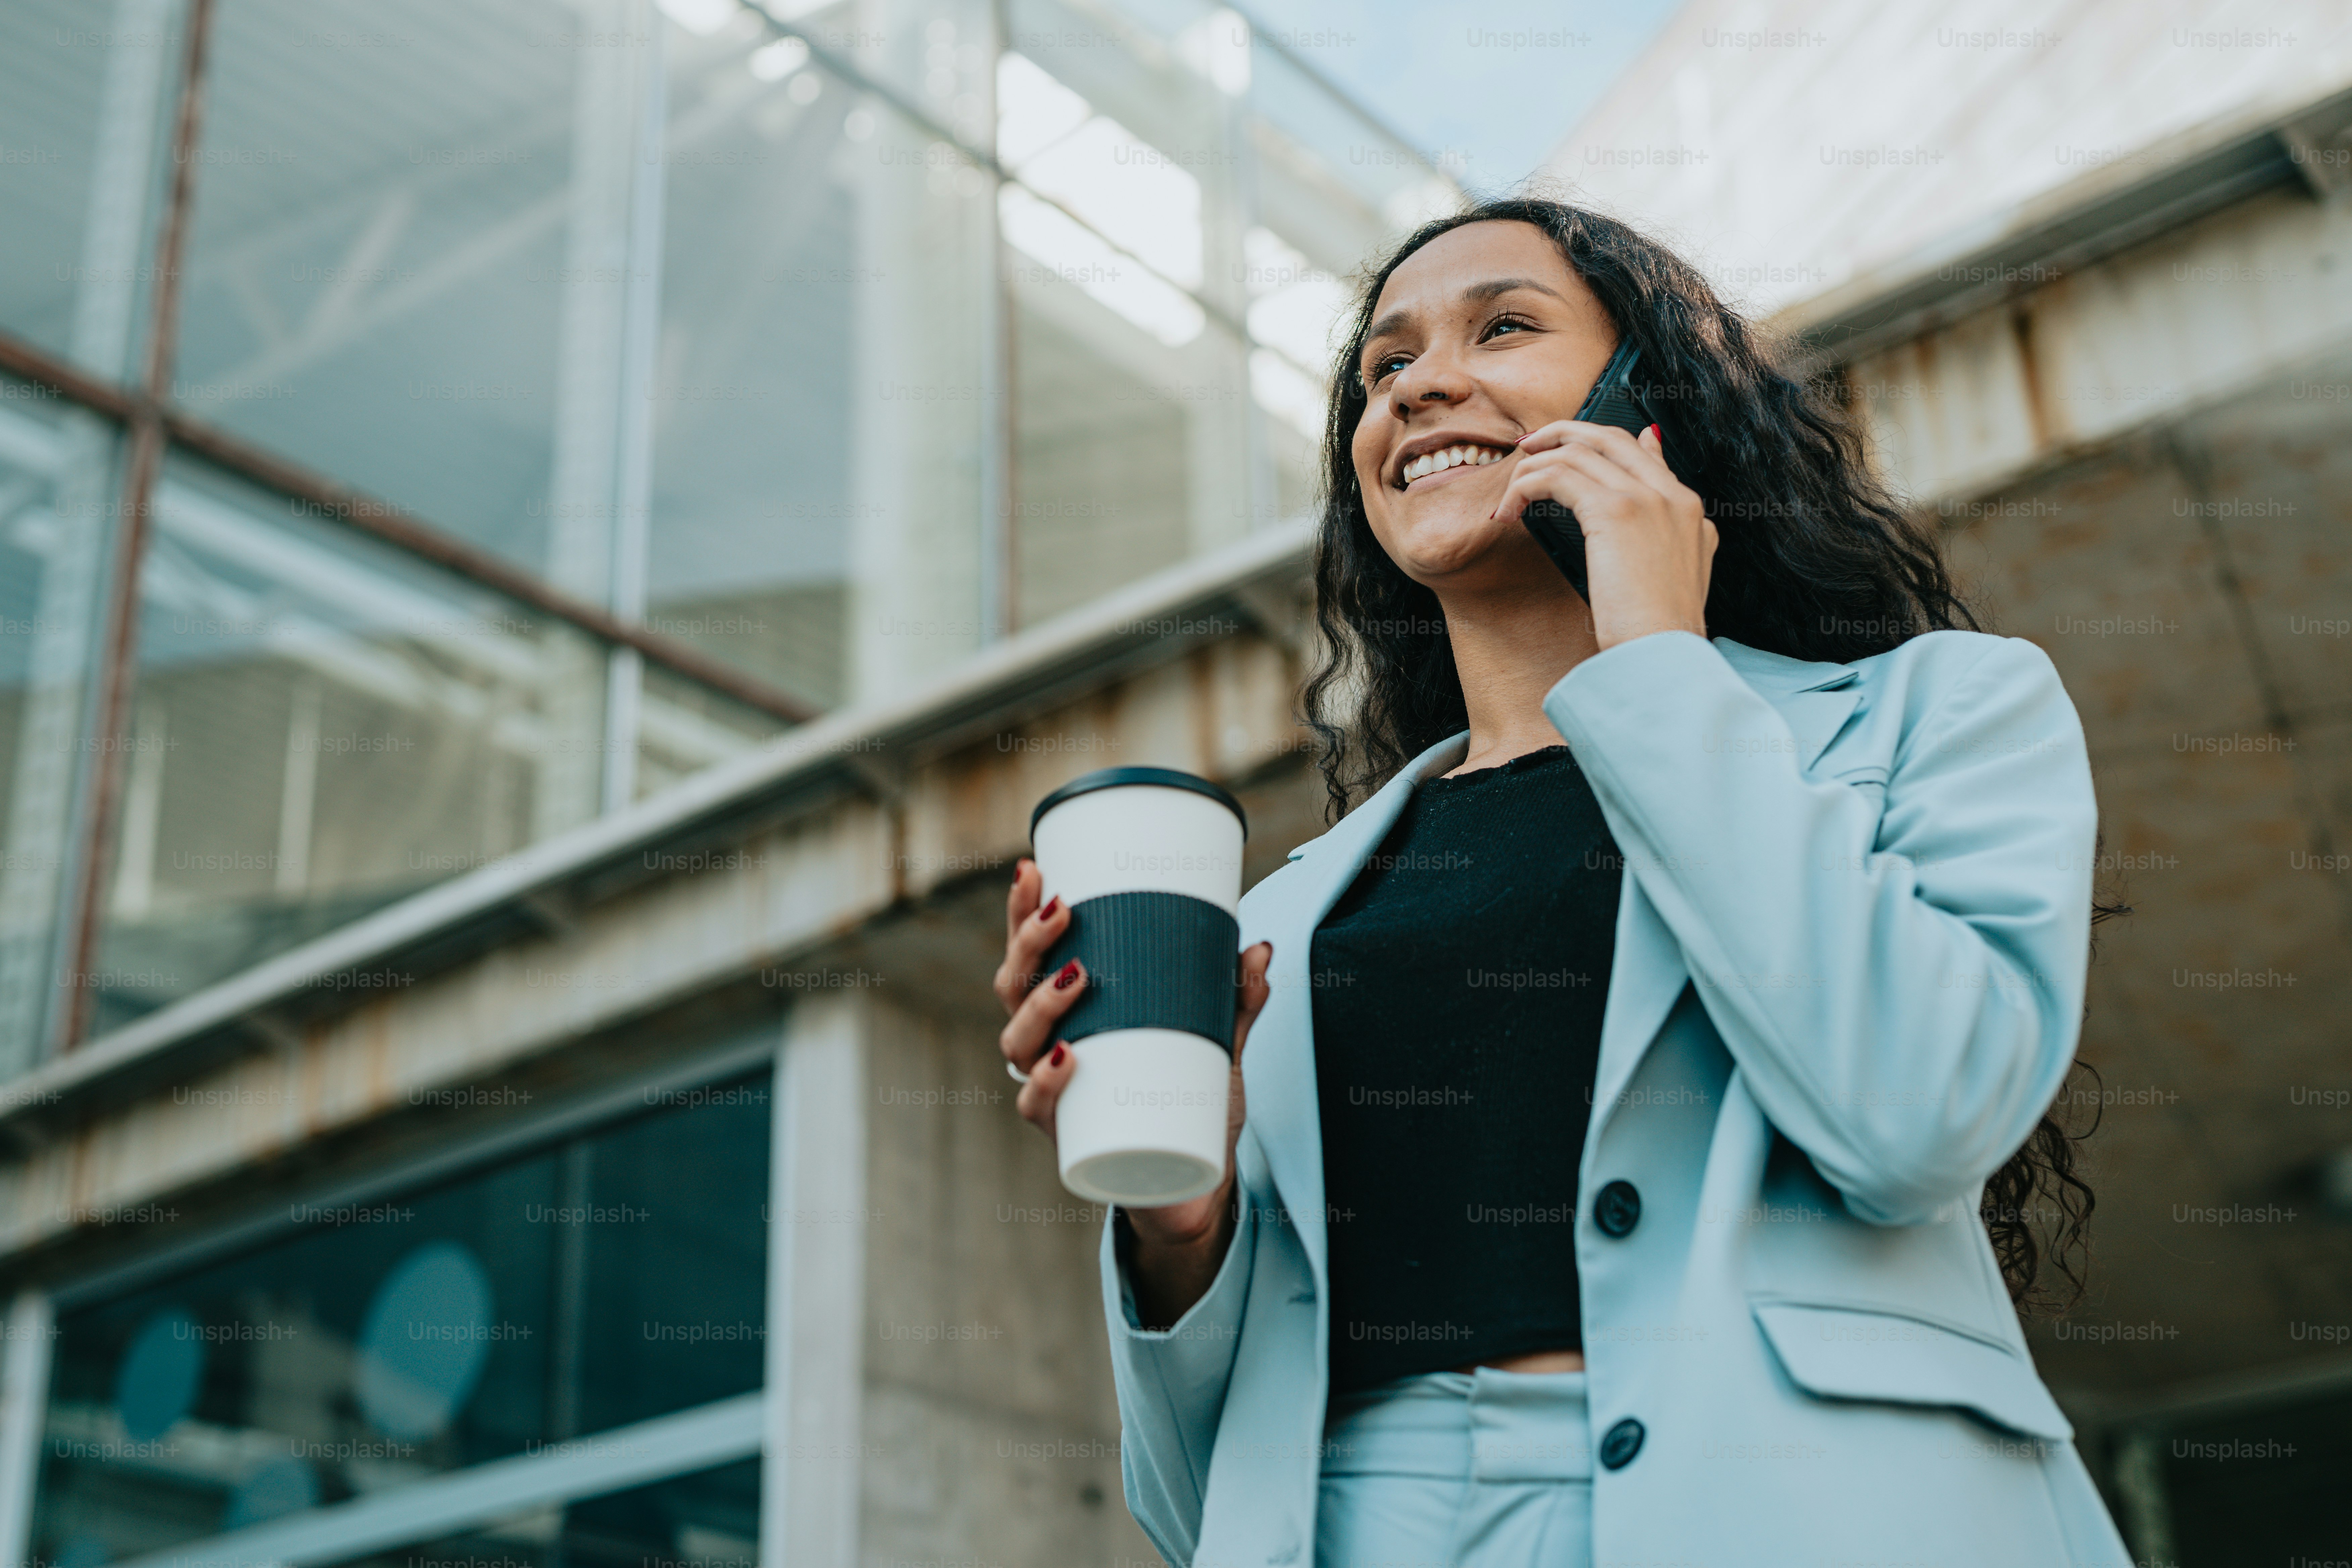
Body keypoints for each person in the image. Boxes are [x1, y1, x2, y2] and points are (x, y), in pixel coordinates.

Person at [991, 198, 2133, 1568]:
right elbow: (1196, 1507)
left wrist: (1657, 656)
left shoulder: (1931, 717)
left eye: (1505, 327)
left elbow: (1915, 1109)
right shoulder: (1284, 916)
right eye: (1383, 368)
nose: (1418, 384)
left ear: (1652, 403)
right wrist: (1181, 1226)